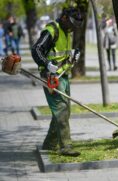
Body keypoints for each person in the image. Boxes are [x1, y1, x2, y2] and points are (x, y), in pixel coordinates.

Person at [31, 7, 83, 156]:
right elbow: (36, 50)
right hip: (51, 77)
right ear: (65, 18)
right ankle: (66, 146)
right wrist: (47, 64)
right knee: (61, 110)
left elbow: (62, 53)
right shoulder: (52, 30)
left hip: (63, 75)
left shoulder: (67, 31)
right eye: (72, 24)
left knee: (65, 110)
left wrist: (74, 54)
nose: (73, 28)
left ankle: (49, 144)